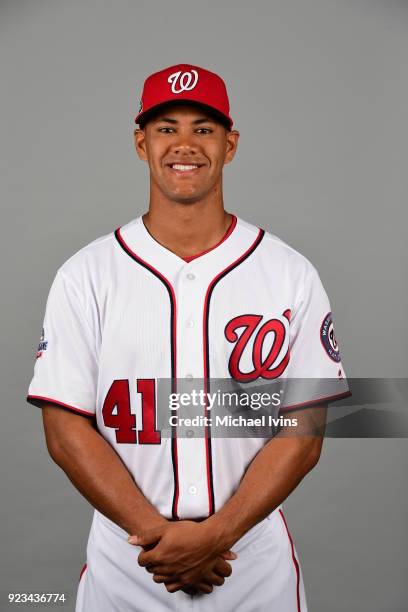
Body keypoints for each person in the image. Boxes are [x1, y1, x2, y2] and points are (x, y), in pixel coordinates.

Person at [27, 63, 350, 612]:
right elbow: (64, 429)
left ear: (231, 143)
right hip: (128, 564)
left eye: (203, 128)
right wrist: (158, 538)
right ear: (140, 142)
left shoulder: (290, 273)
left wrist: (218, 534)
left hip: (252, 565)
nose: (185, 144)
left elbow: (305, 430)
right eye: (166, 127)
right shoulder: (86, 274)